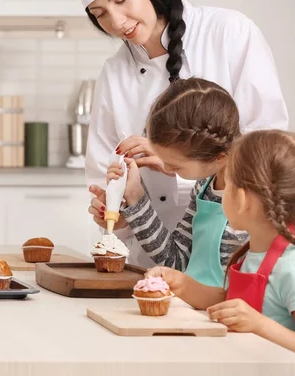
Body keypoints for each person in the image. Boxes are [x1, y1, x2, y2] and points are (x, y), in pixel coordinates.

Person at [63, 0, 288, 266]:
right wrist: (117, 214)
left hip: (236, 255)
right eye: (100, 13)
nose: (116, 22)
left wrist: (174, 161)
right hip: (156, 261)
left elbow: (268, 145)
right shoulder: (114, 72)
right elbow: (103, 169)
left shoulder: (229, 33)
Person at [147, 130, 295, 376]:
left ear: (242, 199)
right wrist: (184, 286)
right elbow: (230, 302)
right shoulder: (251, 253)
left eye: (227, 184)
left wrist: (259, 325)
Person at [94, 78, 247, 287]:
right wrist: (135, 197)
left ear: (219, 157)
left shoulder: (254, 198)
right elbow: (176, 262)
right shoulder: (204, 189)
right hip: (196, 311)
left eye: (175, 166)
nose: (165, 169)